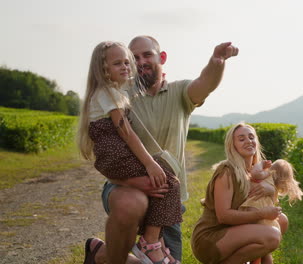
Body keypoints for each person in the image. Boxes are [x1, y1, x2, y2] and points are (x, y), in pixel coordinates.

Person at [83, 36, 239, 264]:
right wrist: (130, 182)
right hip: (125, 186)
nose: (140, 62)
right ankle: (136, 247)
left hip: (166, 193)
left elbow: (206, 82)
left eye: (147, 55)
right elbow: (107, 149)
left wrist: (217, 62)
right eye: (134, 58)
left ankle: (99, 253)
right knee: (131, 204)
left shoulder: (180, 93)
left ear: (162, 57)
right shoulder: (120, 94)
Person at [77, 40, 182, 264]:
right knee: (168, 182)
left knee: (162, 184)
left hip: (114, 154)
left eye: (127, 62)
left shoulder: (114, 91)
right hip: (116, 152)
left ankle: (138, 244)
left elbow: (140, 81)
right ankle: (151, 242)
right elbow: (127, 134)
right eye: (118, 63)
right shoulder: (108, 93)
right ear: (103, 69)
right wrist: (150, 163)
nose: (126, 67)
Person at [191, 122, 286, 264]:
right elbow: (224, 217)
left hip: (233, 231)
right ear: (232, 145)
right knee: (272, 236)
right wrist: (262, 214)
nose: (248, 141)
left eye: (251, 137)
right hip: (211, 238)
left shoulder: (255, 171)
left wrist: (270, 190)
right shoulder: (227, 172)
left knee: (281, 220)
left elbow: (262, 204)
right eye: (241, 139)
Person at [239, 159, 303, 263]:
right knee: (265, 251)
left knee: (262, 249)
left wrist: (261, 164)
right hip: (261, 218)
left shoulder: (267, 175)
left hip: (252, 214)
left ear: (273, 170)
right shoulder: (272, 186)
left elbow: (255, 173)